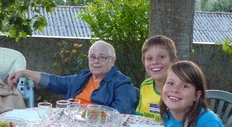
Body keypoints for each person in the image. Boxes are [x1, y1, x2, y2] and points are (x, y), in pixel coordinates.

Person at [8, 40, 138, 114]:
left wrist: (85, 113)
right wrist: (25, 73)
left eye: (102, 57)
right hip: (71, 124)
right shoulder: (83, 77)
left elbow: (121, 114)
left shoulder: (122, 83)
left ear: (112, 60)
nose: (96, 61)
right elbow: (55, 81)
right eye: (92, 57)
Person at [136, 35, 178, 122]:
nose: (155, 62)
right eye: (149, 58)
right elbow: (139, 117)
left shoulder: (180, 89)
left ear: (173, 61)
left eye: (161, 57)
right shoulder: (145, 85)